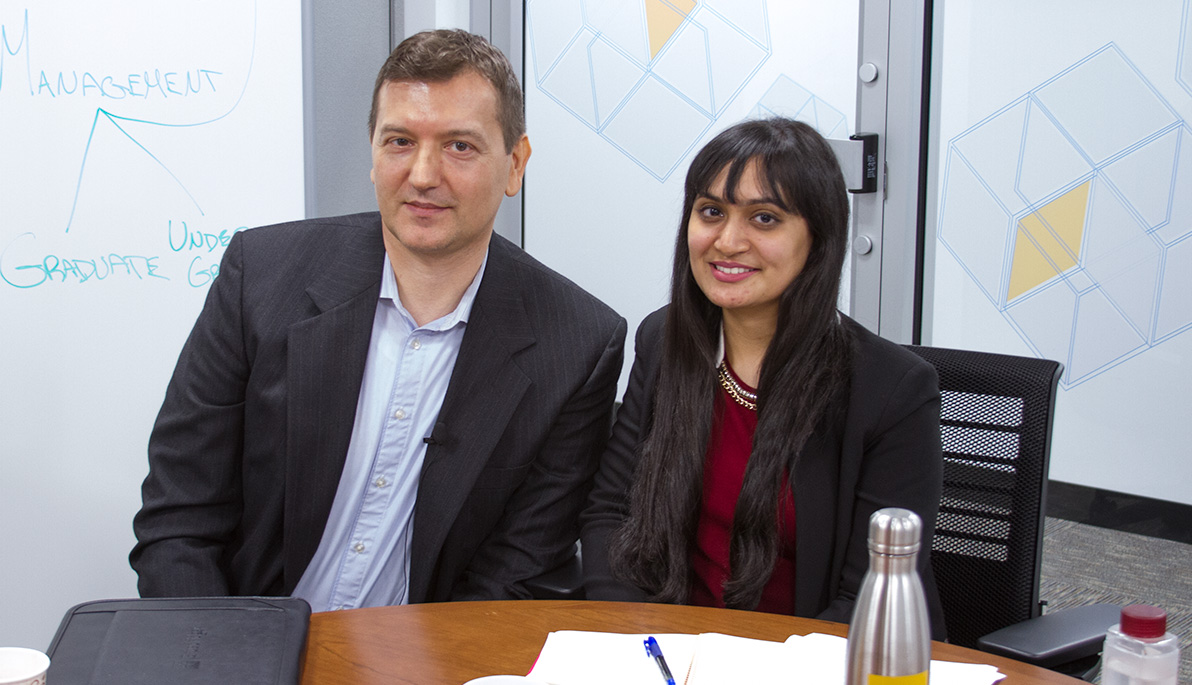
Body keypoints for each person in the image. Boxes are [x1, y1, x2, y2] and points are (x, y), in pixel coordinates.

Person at [131, 29, 626, 609]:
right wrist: (215, 664)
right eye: (399, 141)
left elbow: (512, 578)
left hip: (425, 659)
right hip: (245, 643)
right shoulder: (261, 279)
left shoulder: (578, 345)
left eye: (459, 146)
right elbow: (179, 523)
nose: (422, 175)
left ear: (515, 164)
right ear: (371, 151)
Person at [580, 118, 945, 638]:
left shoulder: (891, 390)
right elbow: (611, 515)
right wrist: (636, 638)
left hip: (812, 664)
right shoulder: (666, 341)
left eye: (765, 218)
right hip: (667, 655)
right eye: (711, 212)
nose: (728, 241)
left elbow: (868, 599)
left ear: (818, 239)